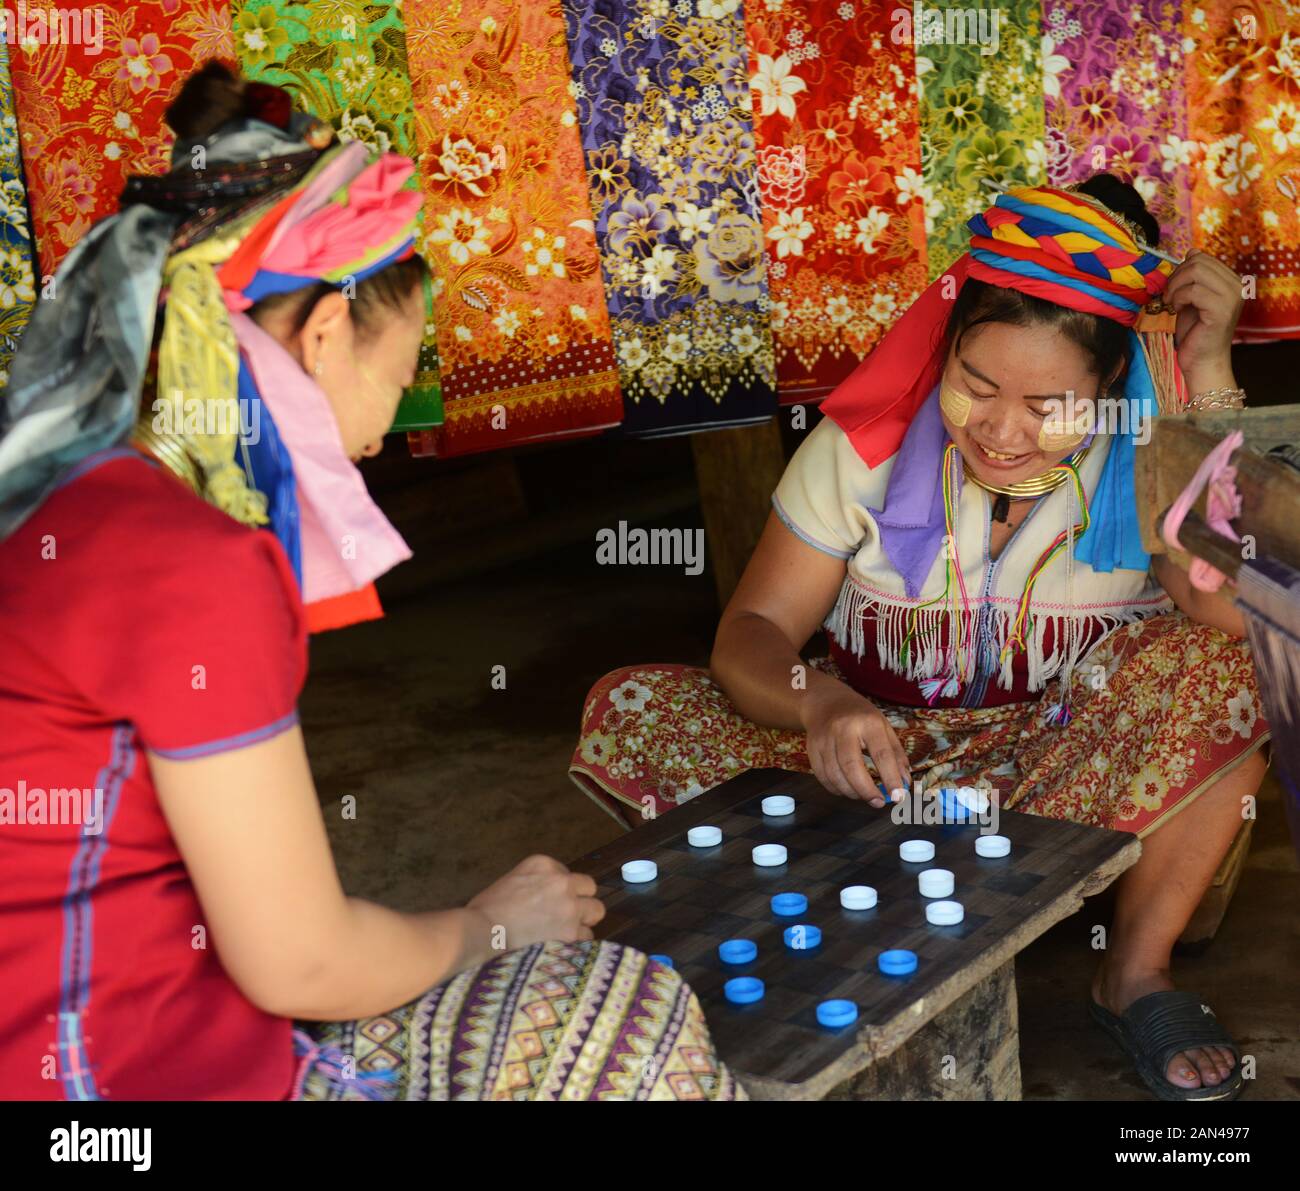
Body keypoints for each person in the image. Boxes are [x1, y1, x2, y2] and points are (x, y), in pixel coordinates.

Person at [0, 62, 741, 1102]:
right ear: (324, 332)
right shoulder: (188, 563)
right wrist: (489, 925)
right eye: (398, 378)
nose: (387, 429)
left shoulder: (59, 501)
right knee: (626, 1018)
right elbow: (299, 962)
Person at [572, 176, 1270, 1102]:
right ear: (941, 348)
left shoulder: (1144, 447)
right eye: (975, 383)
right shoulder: (859, 445)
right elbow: (750, 633)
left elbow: (1239, 610)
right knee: (638, 703)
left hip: (1049, 768)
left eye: (1049, 404)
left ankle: (1133, 972)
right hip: (867, 767)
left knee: (1233, 665)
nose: (1002, 429)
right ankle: (842, 918)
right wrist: (819, 698)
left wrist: (1209, 377)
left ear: (1109, 384)